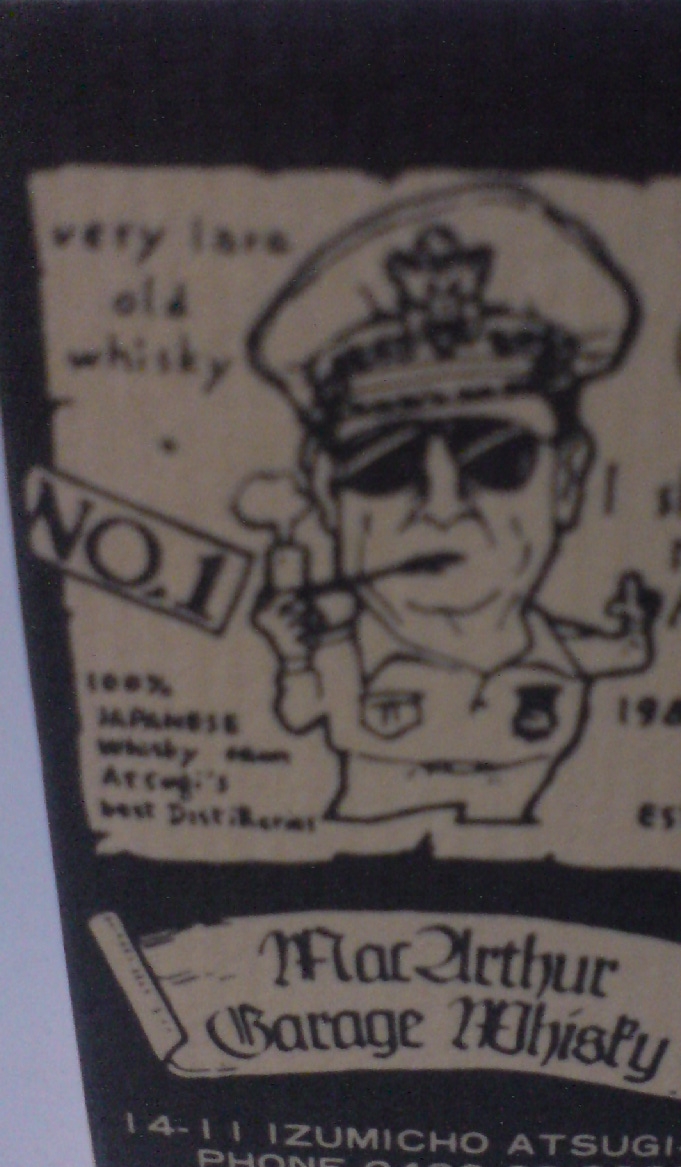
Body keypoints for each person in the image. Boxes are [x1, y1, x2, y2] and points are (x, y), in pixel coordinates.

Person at [244, 179, 660, 824]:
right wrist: (295, 651)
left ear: (567, 480)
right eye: (385, 466)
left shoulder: (556, 648)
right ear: (327, 490)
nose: (442, 507)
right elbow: (299, 711)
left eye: (496, 459)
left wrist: (636, 622)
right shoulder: (344, 651)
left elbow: (625, 654)